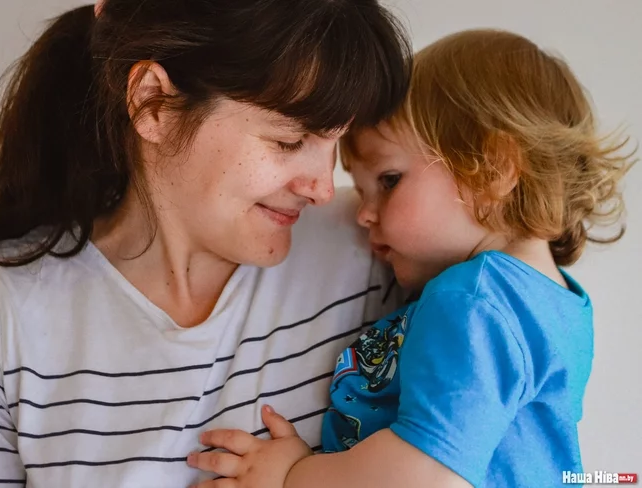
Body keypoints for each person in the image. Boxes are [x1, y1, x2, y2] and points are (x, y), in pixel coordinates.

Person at [0, 1, 413, 486]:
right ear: (153, 103)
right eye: (288, 141)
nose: (323, 188)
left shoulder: (380, 248)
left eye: (336, 142)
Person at [186, 29, 636, 488]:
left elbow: (426, 477)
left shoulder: (474, 302)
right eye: (362, 189)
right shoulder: (555, 302)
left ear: (492, 169)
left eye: (388, 180)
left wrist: (290, 475)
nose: (362, 214)